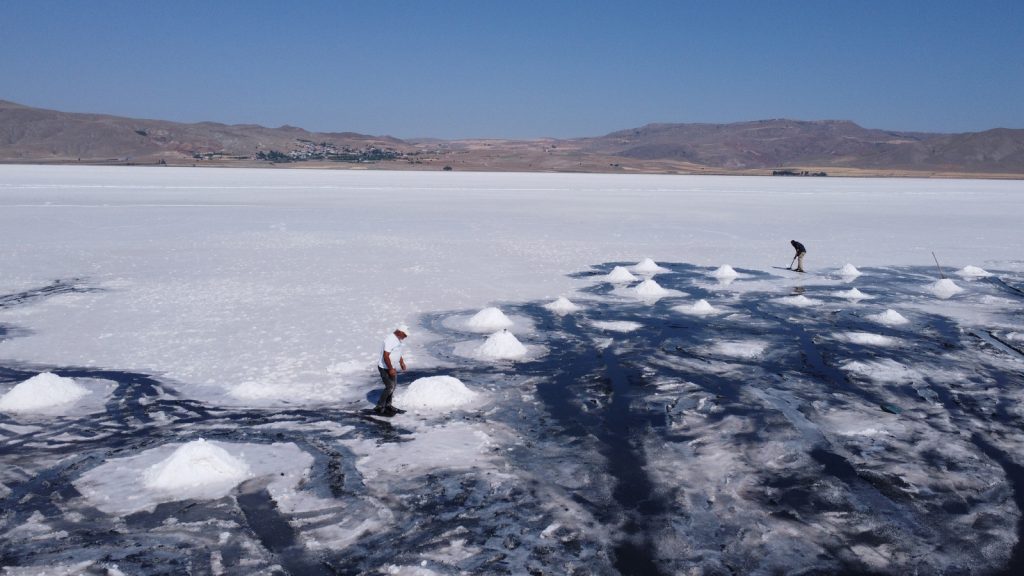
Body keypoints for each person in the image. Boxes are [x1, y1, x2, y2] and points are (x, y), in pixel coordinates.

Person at [374, 324, 410, 416]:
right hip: (384, 367)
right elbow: (385, 356)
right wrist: (390, 369)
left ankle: (388, 405)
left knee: (393, 387)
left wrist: (401, 362)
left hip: (392, 367)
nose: (405, 337)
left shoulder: (398, 339)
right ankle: (379, 406)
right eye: (405, 335)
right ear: (400, 332)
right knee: (390, 387)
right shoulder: (390, 340)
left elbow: (397, 352)